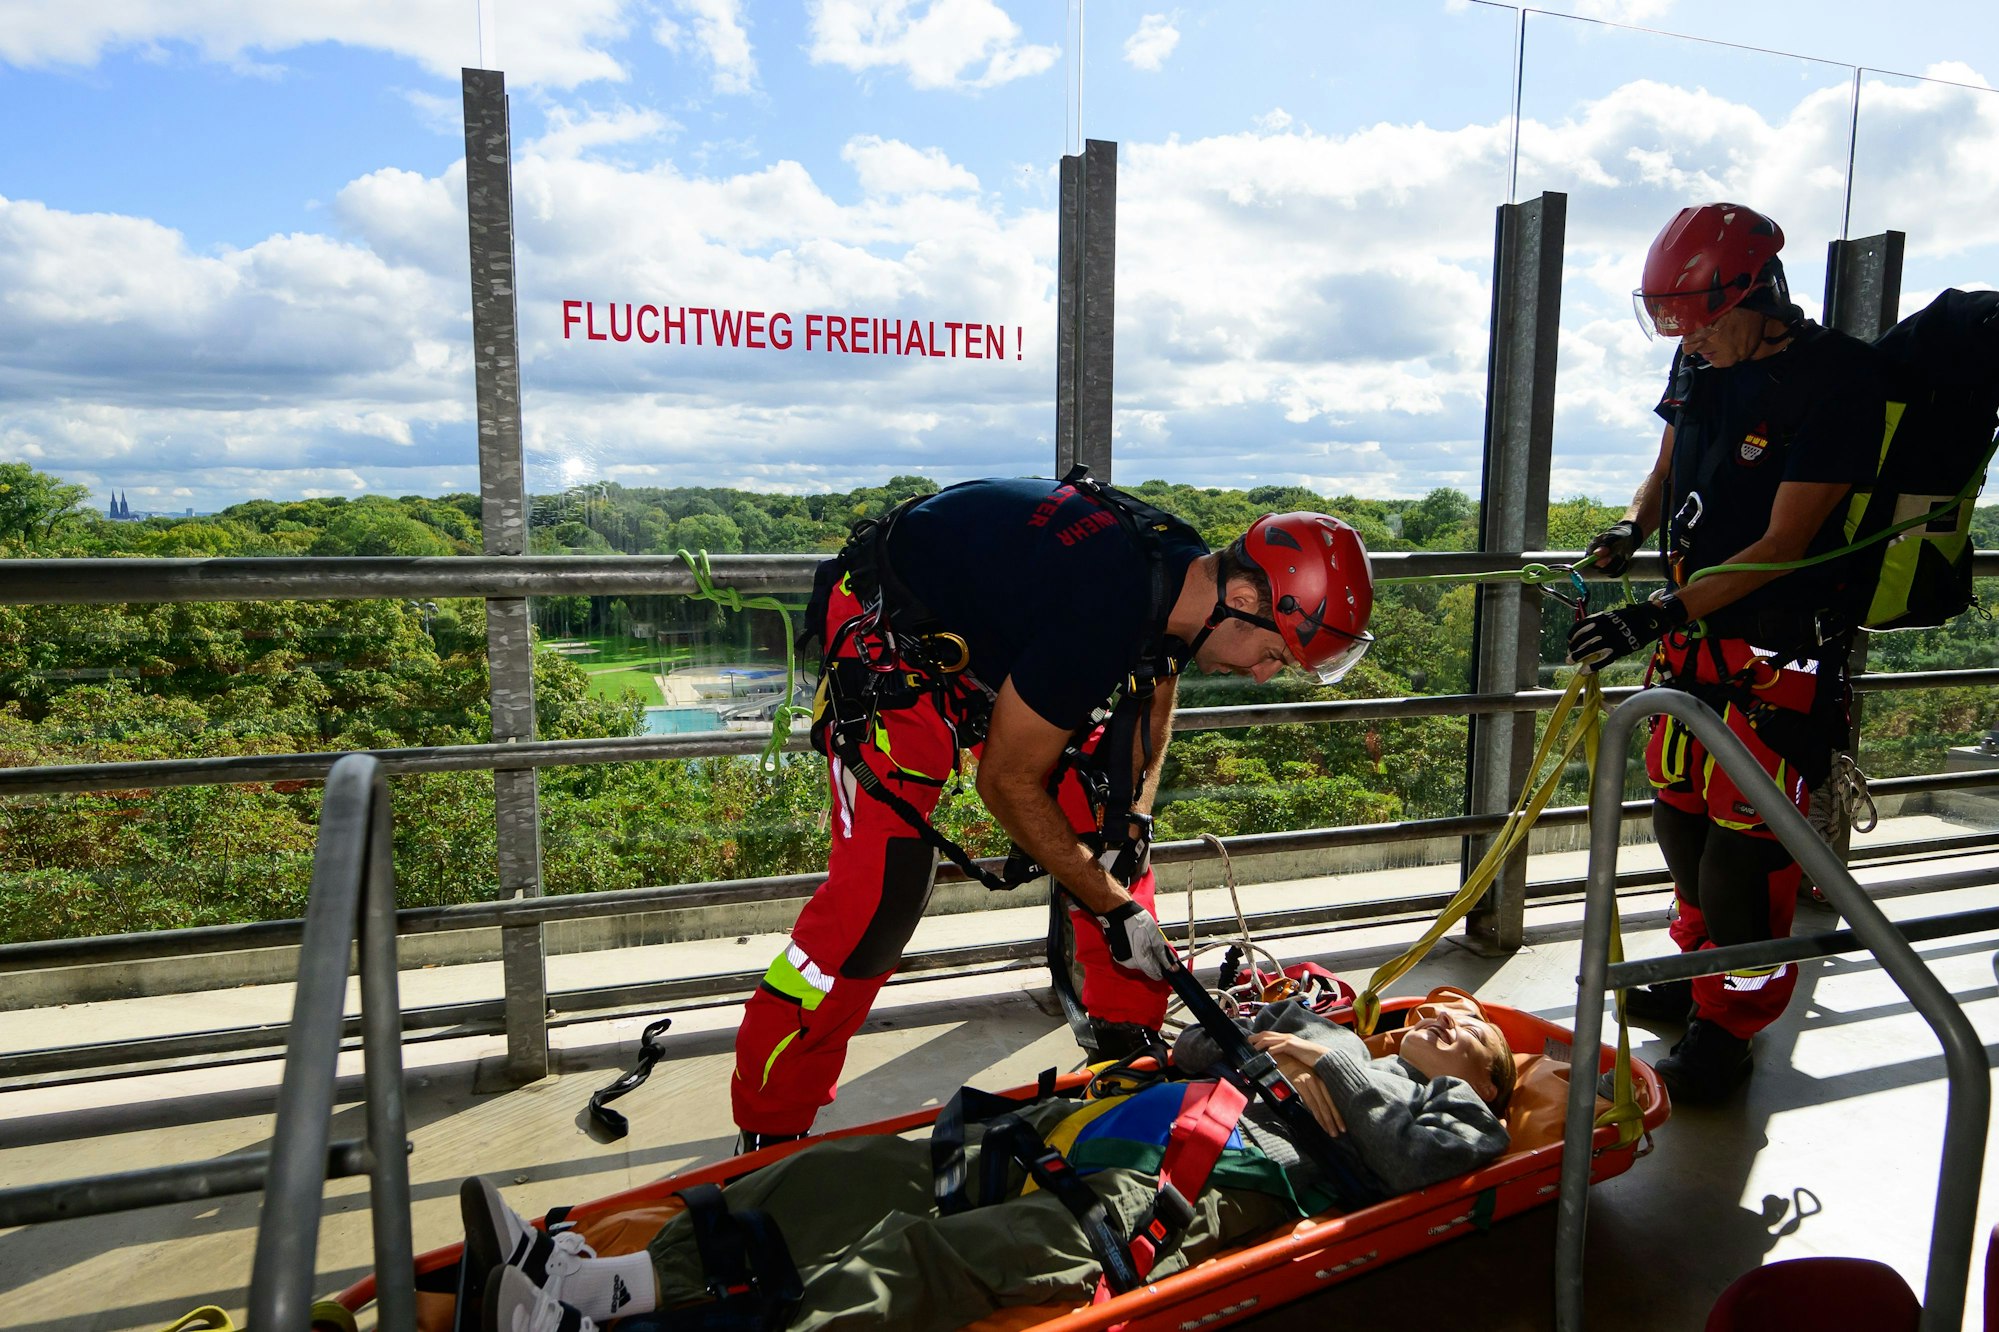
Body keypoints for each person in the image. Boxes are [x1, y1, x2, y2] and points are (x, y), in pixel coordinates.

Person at [732, 474, 1376, 1152]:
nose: (1264, 674)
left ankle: (1125, 1044)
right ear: (1242, 600)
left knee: (1114, 839)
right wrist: (1112, 903)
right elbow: (1006, 783)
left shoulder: (1184, 569)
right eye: (1274, 652)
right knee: (879, 895)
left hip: (993, 642)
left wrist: (1133, 818)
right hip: (890, 644)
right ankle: (772, 1118)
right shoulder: (1104, 610)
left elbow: (1158, 677)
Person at [466, 998, 1514, 1332]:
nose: (1453, 1020)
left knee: (935, 1258)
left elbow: (1438, 1156)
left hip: (1195, 1180)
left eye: (1474, 1035)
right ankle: (592, 1280)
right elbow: (1190, 1050)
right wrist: (1271, 1035)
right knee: (840, 1175)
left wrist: (1317, 1058)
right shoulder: (1322, 1031)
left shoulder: (1446, 1106)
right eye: (1446, 1011)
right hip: (1087, 1138)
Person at [1569, 202, 1886, 1104]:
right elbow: (1668, 460)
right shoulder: (1699, 359)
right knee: (1678, 824)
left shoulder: (1836, 380)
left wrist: (1652, 614)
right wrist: (1629, 528)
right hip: (1692, 646)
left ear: (1760, 296)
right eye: (1675, 326)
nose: (1689, 341)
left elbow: (1787, 540)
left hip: (1776, 649)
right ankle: (1699, 973)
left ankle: (1730, 1025)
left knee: (1745, 851)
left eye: (1703, 322)